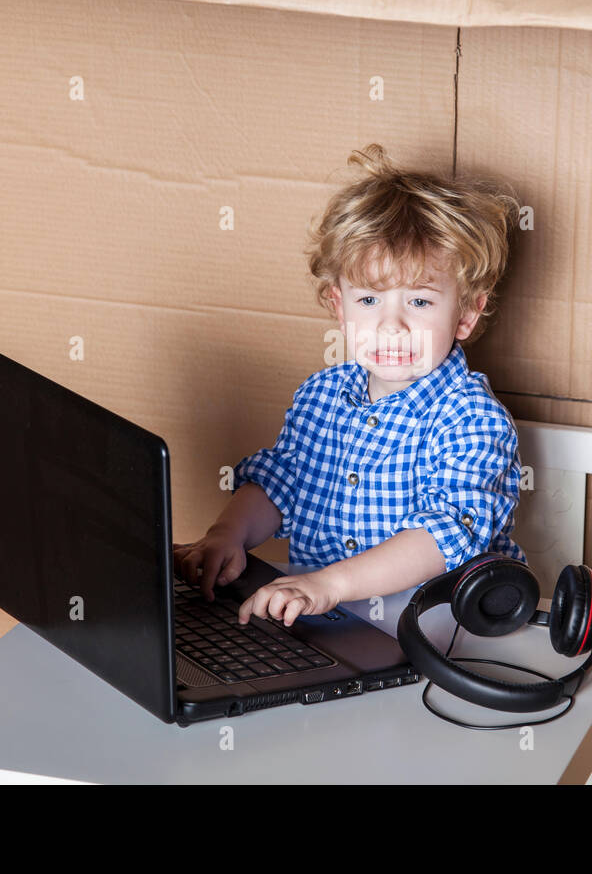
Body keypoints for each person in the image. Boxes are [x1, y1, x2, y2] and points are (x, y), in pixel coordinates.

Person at [173, 143, 527, 627]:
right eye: (368, 301)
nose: (391, 326)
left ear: (465, 313)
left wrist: (329, 583)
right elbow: (281, 482)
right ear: (338, 305)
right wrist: (225, 534)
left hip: (436, 631)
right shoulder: (321, 396)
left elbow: (442, 534)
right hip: (329, 621)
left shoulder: (471, 419)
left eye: (419, 303)